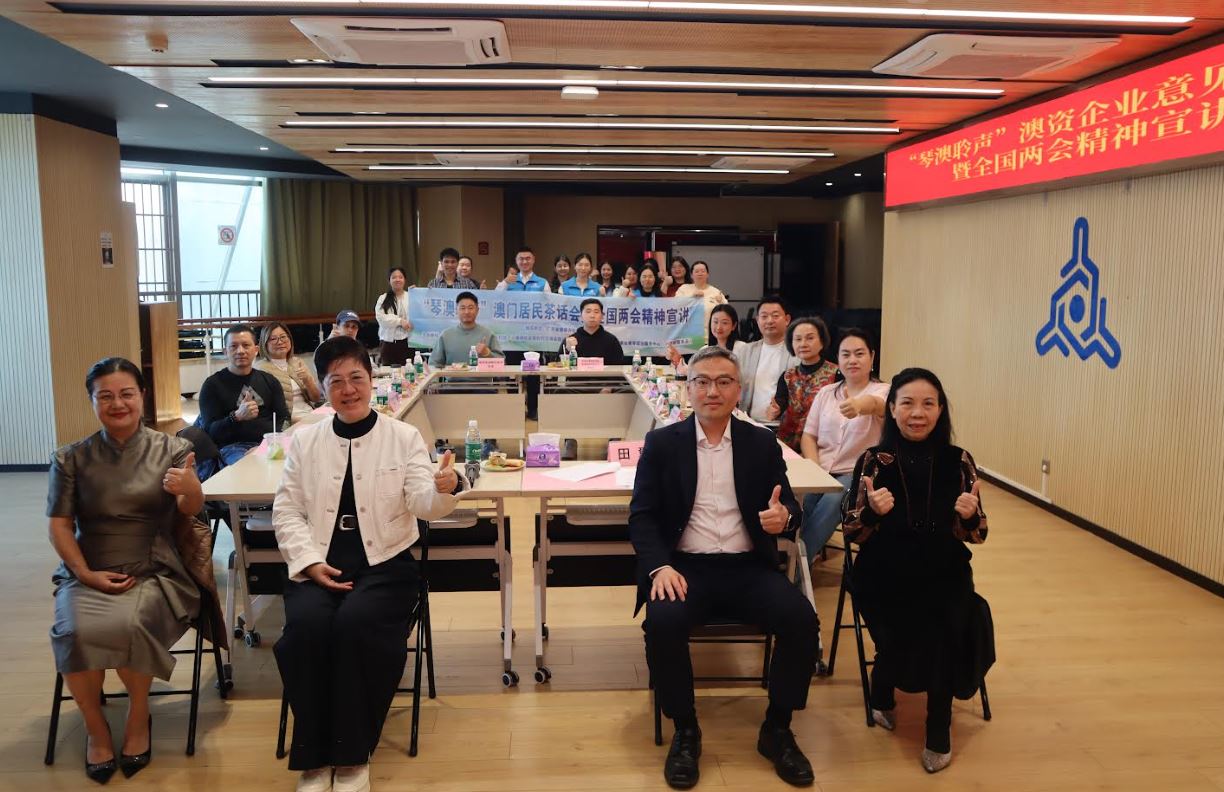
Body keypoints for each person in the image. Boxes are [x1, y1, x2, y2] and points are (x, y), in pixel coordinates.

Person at [273, 336, 467, 792]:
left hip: (385, 563)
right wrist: (308, 562)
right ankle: (315, 755)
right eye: (336, 381)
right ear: (322, 387)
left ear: (371, 379)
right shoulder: (306, 441)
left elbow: (422, 503)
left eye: (356, 378)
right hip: (320, 563)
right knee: (305, 630)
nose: (348, 389)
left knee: (355, 626)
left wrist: (447, 486)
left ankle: (352, 752)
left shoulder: (402, 437)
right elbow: (287, 510)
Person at [630, 345, 817, 790]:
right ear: (688, 389)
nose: (712, 391)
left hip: (748, 568)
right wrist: (659, 568)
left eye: (723, 382)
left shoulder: (760, 442)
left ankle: (777, 728)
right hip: (684, 569)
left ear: (739, 390)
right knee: (663, 623)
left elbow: (789, 506)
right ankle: (686, 730)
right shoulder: (662, 443)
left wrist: (784, 518)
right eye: (702, 381)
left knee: (802, 619)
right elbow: (642, 516)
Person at [47, 357, 204, 783]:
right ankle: (96, 729)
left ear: (142, 396)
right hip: (87, 569)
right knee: (73, 631)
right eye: (106, 396)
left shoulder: (172, 450)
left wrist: (191, 489)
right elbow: (59, 525)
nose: (117, 404)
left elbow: (189, 510)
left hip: (152, 569)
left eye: (126, 394)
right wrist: (84, 574)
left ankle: (137, 717)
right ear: (92, 401)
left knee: (131, 625)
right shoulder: (70, 458)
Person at [841, 367, 991, 775]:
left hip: (944, 570)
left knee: (945, 625)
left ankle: (938, 727)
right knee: (911, 624)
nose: (918, 413)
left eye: (928, 404)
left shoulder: (959, 461)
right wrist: (871, 513)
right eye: (907, 403)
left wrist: (970, 516)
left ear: (941, 410)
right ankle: (883, 684)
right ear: (891, 408)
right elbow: (853, 532)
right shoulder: (873, 460)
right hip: (883, 573)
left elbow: (977, 535)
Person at [798, 329, 888, 563]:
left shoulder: (883, 390)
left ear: (872, 356)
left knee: (832, 501)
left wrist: (859, 405)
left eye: (859, 353)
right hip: (823, 469)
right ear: (837, 359)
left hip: (857, 474)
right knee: (802, 500)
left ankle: (796, 567)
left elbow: (877, 405)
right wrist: (815, 470)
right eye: (846, 354)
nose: (852, 360)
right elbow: (808, 436)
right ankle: (791, 558)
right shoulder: (826, 393)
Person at [196, 324, 288, 480]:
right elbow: (210, 432)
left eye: (246, 345)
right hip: (233, 448)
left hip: (269, 444)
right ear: (225, 351)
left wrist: (265, 446)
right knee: (253, 471)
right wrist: (236, 416)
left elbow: (283, 417)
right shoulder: (212, 385)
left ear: (256, 349)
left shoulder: (270, 381)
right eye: (233, 346)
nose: (240, 351)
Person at [767, 317, 839, 450]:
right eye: (798, 339)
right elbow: (779, 405)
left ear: (822, 342)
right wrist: (774, 411)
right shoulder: (787, 376)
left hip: (821, 446)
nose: (803, 344)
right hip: (787, 445)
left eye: (810, 338)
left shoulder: (836, 374)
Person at [736, 296, 797, 422]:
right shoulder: (746, 351)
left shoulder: (796, 352)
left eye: (775, 316)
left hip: (782, 425)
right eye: (764, 316)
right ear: (757, 320)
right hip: (748, 422)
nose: (769, 321)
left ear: (787, 319)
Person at [257, 322, 323, 423]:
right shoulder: (260, 368)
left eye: (283, 337)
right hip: (287, 422)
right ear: (265, 343)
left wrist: (307, 380)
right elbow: (265, 409)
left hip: (309, 413)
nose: (280, 342)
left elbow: (316, 398)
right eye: (273, 339)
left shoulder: (297, 362)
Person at [429, 291, 504, 366]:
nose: (467, 312)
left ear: (477, 310)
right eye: (462, 308)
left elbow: (502, 363)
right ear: (456, 311)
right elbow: (433, 364)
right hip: (453, 374)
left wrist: (487, 353)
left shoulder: (488, 334)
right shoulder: (446, 335)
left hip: (481, 374)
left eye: (470, 308)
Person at [665, 303, 741, 372]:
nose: (718, 327)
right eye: (715, 322)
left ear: (734, 326)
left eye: (724, 323)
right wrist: (678, 360)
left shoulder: (742, 349)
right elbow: (692, 373)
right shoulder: (704, 350)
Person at [561, 298, 626, 364]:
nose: (592, 316)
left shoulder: (611, 340)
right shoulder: (571, 340)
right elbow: (559, 365)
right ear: (581, 316)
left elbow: (620, 366)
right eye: (588, 312)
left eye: (596, 312)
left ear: (602, 316)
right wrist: (568, 350)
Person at [374, 267, 413, 366]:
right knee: (388, 372)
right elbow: (381, 318)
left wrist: (417, 293)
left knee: (408, 370)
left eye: (400, 277)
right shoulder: (383, 298)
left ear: (405, 280)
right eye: (394, 277)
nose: (397, 279)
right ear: (389, 280)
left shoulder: (411, 296)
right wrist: (400, 321)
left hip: (408, 342)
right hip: (388, 343)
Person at [675, 261, 729, 328]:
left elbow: (727, 311)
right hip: (687, 330)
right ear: (691, 275)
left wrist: (721, 303)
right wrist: (691, 297)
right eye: (697, 271)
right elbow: (675, 307)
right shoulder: (683, 289)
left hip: (709, 331)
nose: (700, 273)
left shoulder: (716, 292)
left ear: (707, 274)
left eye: (703, 271)